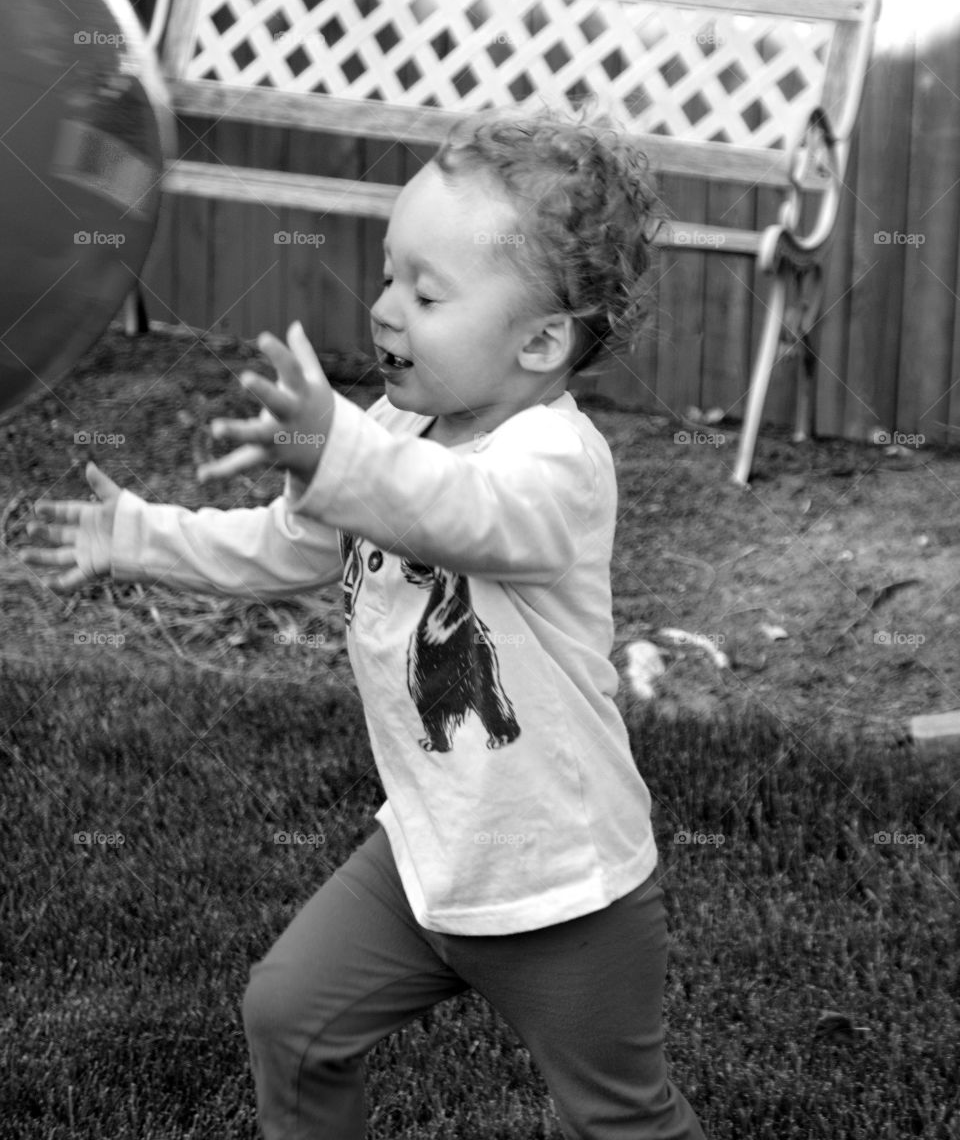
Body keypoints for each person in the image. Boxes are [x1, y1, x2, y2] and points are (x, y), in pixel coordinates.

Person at [22, 109, 707, 1139]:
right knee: (290, 1018)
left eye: (427, 293)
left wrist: (335, 447)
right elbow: (290, 542)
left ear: (541, 340)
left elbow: (456, 509)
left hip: (565, 893)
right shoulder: (392, 434)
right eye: (390, 275)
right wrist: (139, 537)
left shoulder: (556, 467)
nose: (386, 309)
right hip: (425, 861)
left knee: (615, 1119)